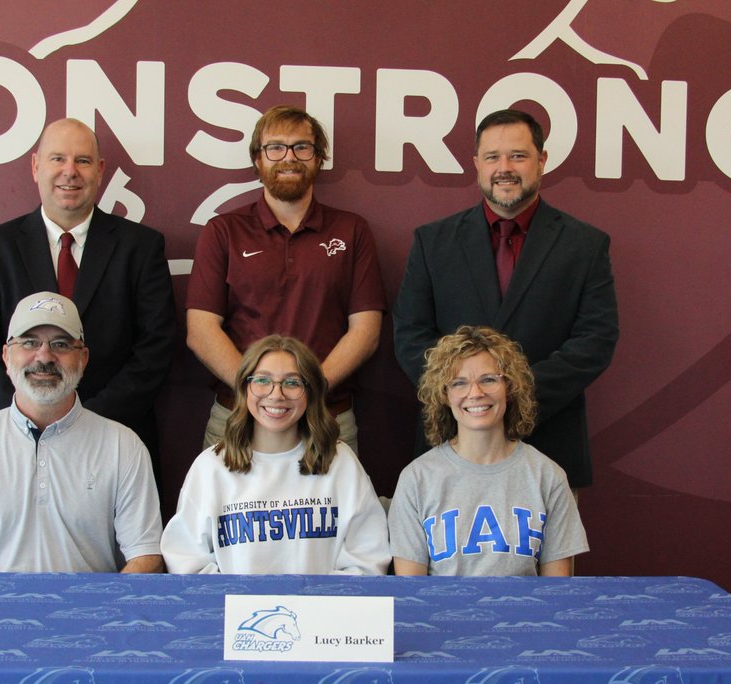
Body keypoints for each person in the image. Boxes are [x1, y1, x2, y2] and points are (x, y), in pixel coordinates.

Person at [394, 108, 618, 489]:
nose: (504, 168)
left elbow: (594, 341)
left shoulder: (585, 245)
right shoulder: (433, 243)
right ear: (477, 164)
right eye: (493, 157)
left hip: (549, 443)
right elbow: (410, 336)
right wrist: (468, 397)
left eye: (518, 155)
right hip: (451, 446)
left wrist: (510, 395)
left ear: (542, 161)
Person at [0, 118, 175, 458]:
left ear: (100, 170)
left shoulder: (141, 247)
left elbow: (156, 347)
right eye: (57, 158)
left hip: (117, 438)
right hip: (21, 443)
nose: (70, 171)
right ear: (35, 166)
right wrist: (31, 421)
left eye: (83, 160)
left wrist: (86, 424)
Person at [185, 105, 386, 453]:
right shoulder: (223, 232)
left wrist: (303, 391)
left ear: (319, 157)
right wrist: (261, 393)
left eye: (301, 147)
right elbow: (201, 332)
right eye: (275, 147)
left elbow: (365, 333)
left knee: (337, 511)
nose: (288, 157)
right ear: (257, 159)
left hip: (327, 415)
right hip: (237, 417)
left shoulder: (352, 231)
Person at [0, 292, 163, 573]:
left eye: (60, 344)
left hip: (87, 614)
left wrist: (100, 614)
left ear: (82, 358)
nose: (44, 356)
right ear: (6, 355)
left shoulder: (124, 446)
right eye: (29, 342)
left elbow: (145, 558)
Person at [162, 335, 390, 575]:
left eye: (292, 383)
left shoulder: (341, 462)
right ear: (244, 388)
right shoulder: (211, 467)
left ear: (310, 391)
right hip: (236, 611)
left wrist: (317, 607)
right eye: (262, 380)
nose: (276, 394)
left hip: (322, 610)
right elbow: (186, 560)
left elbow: (367, 560)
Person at [388, 326, 586, 577]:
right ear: (444, 396)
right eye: (459, 383)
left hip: (523, 614)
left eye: (488, 379)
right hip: (441, 616)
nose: (475, 393)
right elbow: (410, 593)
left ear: (510, 387)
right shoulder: (416, 479)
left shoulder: (548, 476)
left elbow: (556, 592)